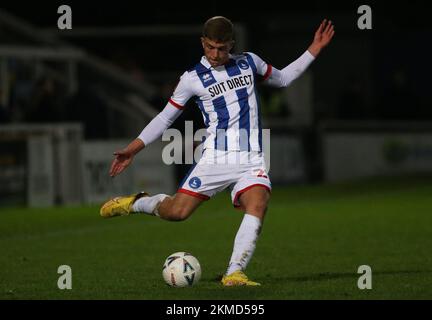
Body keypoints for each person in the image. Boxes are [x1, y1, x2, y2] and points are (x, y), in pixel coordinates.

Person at [100, 16, 334, 286]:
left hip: (251, 159)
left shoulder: (249, 62)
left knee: (258, 203)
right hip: (215, 158)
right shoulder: (191, 79)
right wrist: (133, 148)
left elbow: (282, 79)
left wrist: (314, 48)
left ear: (231, 45)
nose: (215, 54)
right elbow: (165, 118)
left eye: (221, 48)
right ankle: (137, 202)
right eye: (210, 47)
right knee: (178, 212)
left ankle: (234, 272)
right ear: (203, 42)